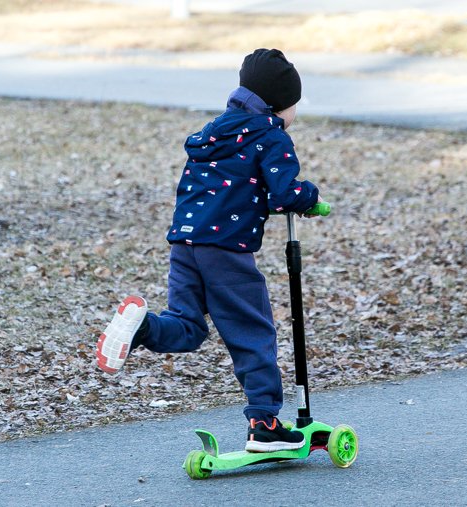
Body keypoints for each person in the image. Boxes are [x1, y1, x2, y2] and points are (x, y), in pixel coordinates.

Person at [96, 48, 321, 452]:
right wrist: (310, 197)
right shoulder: (272, 136)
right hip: (225, 251)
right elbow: (285, 192)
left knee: (188, 328)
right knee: (252, 331)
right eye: (293, 107)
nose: (294, 116)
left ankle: (142, 325)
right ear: (277, 104)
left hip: (184, 244)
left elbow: (227, 185)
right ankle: (265, 424)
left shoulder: (213, 131)